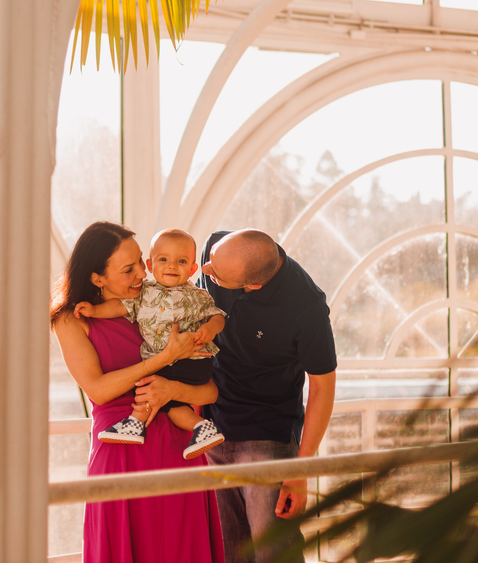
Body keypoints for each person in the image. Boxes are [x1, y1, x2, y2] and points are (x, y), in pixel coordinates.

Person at [51, 221, 225, 563]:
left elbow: (209, 393)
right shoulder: (72, 320)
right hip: (121, 451)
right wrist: (164, 358)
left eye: (142, 263)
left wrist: (171, 388)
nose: (141, 274)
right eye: (128, 269)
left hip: (181, 451)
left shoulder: (167, 301)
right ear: (97, 278)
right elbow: (100, 391)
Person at [175, 228, 337, 563]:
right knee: (228, 555)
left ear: (252, 286)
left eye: (214, 275)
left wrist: (299, 472)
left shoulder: (306, 308)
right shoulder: (219, 252)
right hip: (209, 431)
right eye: (210, 261)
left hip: (267, 440)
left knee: (274, 555)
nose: (205, 271)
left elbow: (322, 387)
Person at [75, 228, 227, 459]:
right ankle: (198, 427)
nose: (141, 273)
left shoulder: (197, 295)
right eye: (163, 260)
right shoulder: (145, 294)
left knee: (153, 389)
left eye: (181, 261)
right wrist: (94, 311)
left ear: (193, 268)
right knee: (163, 397)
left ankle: (139, 423)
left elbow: (217, 317)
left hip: (191, 361)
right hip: (124, 447)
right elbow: (121, 306)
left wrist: (209, 329)